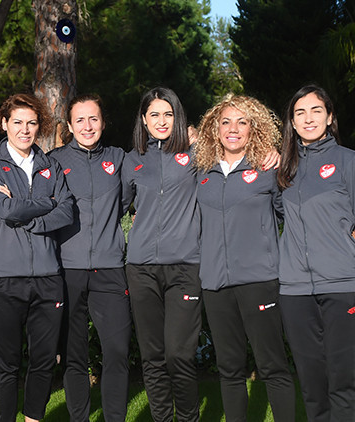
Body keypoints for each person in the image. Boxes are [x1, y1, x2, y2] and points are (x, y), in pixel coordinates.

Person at [277, 85, 355, 421]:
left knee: (343, 380)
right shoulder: (283, 169)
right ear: (292, 122)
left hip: (343, 286)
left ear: (330, 117)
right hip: (295, 291)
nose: (308, 119)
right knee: (311, 384)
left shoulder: (350, 162)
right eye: (300, 113)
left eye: (316, 111)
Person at [193, 94, 295, 422]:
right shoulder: (202, 171)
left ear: (255, 128)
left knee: (272, 365)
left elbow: (293, 216)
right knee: (229, 368)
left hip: (259, 281)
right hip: (215, 284)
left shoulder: (268, 168)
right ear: (215, 129)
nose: (233, 129)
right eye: (226, 122)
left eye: (242, 122)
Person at [0, 93, 73, 422]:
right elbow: (4, 210)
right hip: (3, 277)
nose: (25, 129)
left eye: (31, 123)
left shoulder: (50, 165)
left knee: (44, 361)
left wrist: (30, 215)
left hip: (47, 277)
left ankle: (33, 419)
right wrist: (48, 203)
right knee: (7, 364)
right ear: (4, 124)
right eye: (17, 122)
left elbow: (67, 211)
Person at [120, 87, 202, 422]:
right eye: (154, 114)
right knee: (152, 357)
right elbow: (113, 207)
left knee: (179, 355)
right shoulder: (132, 160)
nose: (162, 121)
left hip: (185, 267)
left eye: (168, 114)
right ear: (144, 119)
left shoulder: (197, 154)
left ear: (178, 116)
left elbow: (237, 146)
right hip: (141, 269)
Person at [48, 94, 131, 422]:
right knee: (73, 355)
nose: (87, 126)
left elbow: (127, 198)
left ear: (103, 122)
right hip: (67, 270)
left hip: (110, 270)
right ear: (69, 126)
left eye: (93, 118)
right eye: (80, 120)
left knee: (117, 351)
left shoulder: (119, 158)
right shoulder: (54, 161)